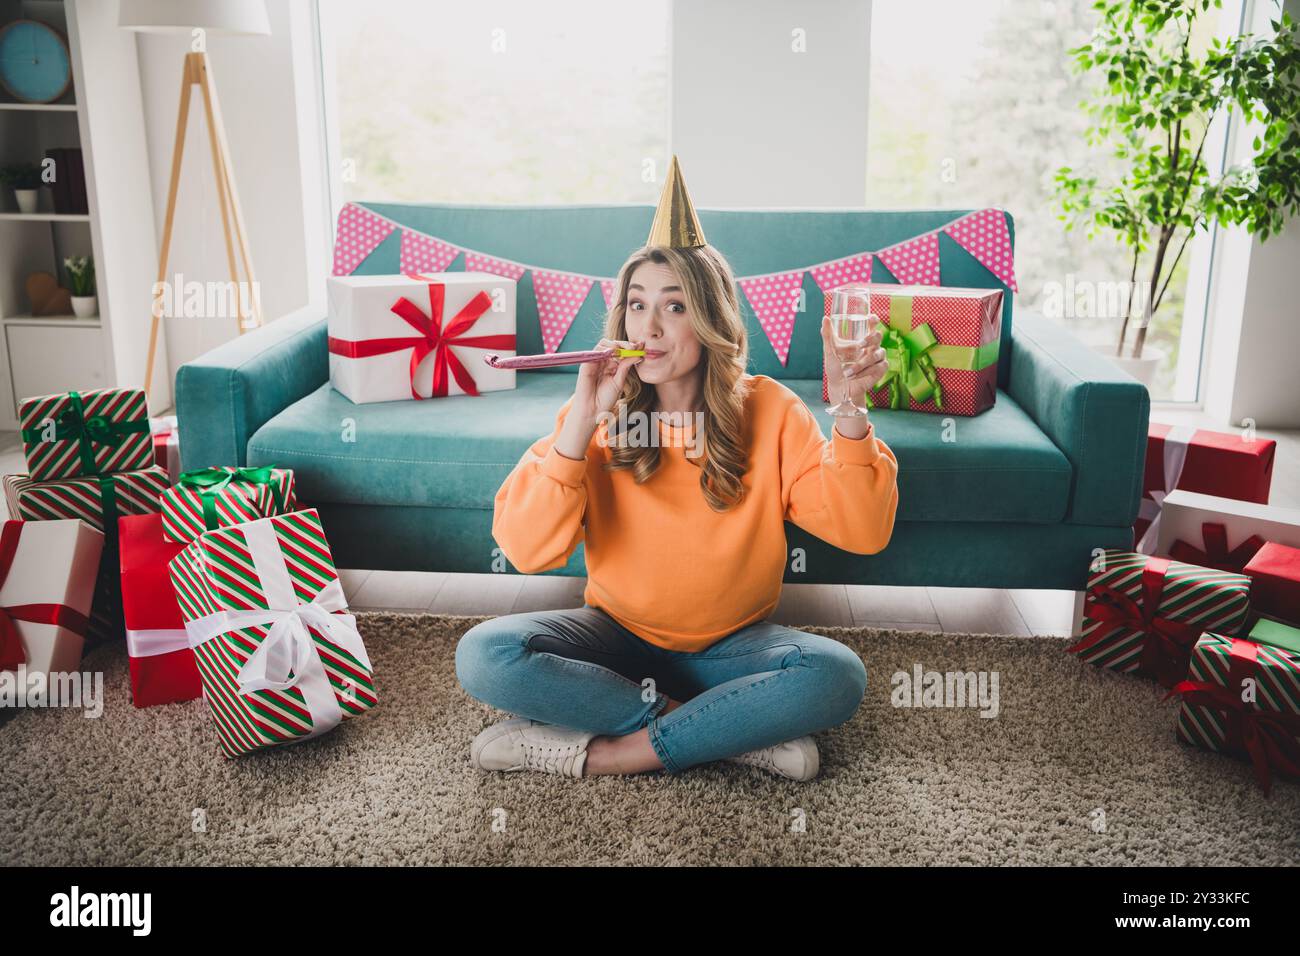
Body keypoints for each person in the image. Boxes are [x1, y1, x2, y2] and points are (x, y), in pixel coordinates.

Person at [455, 156, 898, 781]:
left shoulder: (768, 408)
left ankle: (611, 752)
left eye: (675, 307)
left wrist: (850, 410)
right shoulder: (599, 416)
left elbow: (863, 531)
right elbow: (525, 550)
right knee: (485, 655)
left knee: (835, 676)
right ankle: (725, 729)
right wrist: (581, 425)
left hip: (732, 648)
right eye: (637, 307)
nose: (651, 326)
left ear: (711, 318)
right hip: (615, 643)